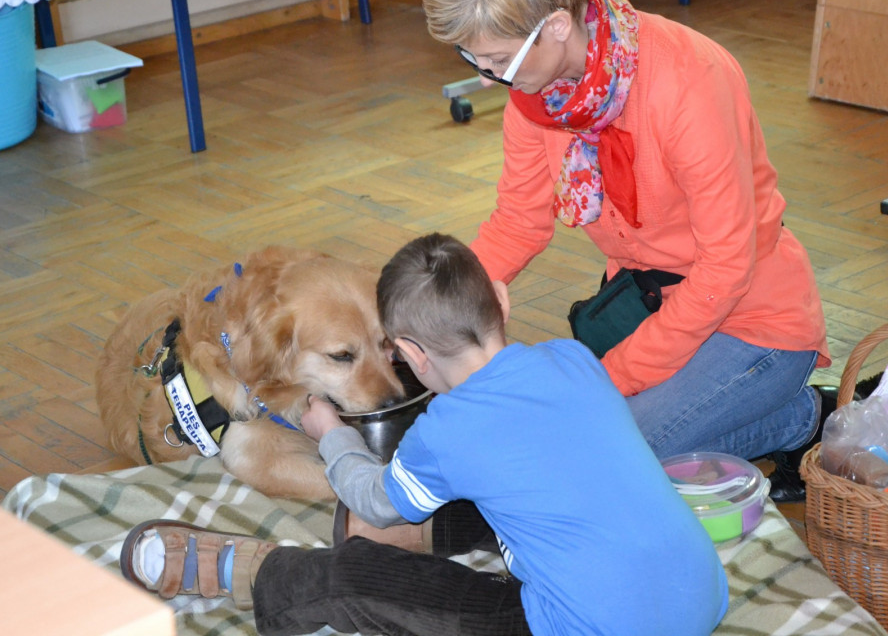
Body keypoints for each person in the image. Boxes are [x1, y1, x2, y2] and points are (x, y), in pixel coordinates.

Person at [420, 0, 832, 501]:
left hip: (752, 322)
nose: (486, 79)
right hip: (649, 307)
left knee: (603, 457)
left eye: (499, 60)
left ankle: (802, 419)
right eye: (473, 59)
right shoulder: (539, 97)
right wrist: (440, 309)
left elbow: (726, 268)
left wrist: (613, 377)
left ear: (557, 25)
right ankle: (716, 418)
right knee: (578, 441)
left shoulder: (690, 82)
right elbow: (518, 222)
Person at [120, 233, 729, 636]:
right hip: (700, 601)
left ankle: (252, 573)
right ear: (499, 301)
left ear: (407, 351)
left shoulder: (448, 429)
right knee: (544, 481)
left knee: (369, 582)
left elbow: (373, 495)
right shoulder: (572, 360)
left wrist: (331, 433)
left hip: (584, 628)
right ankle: (414, 536)